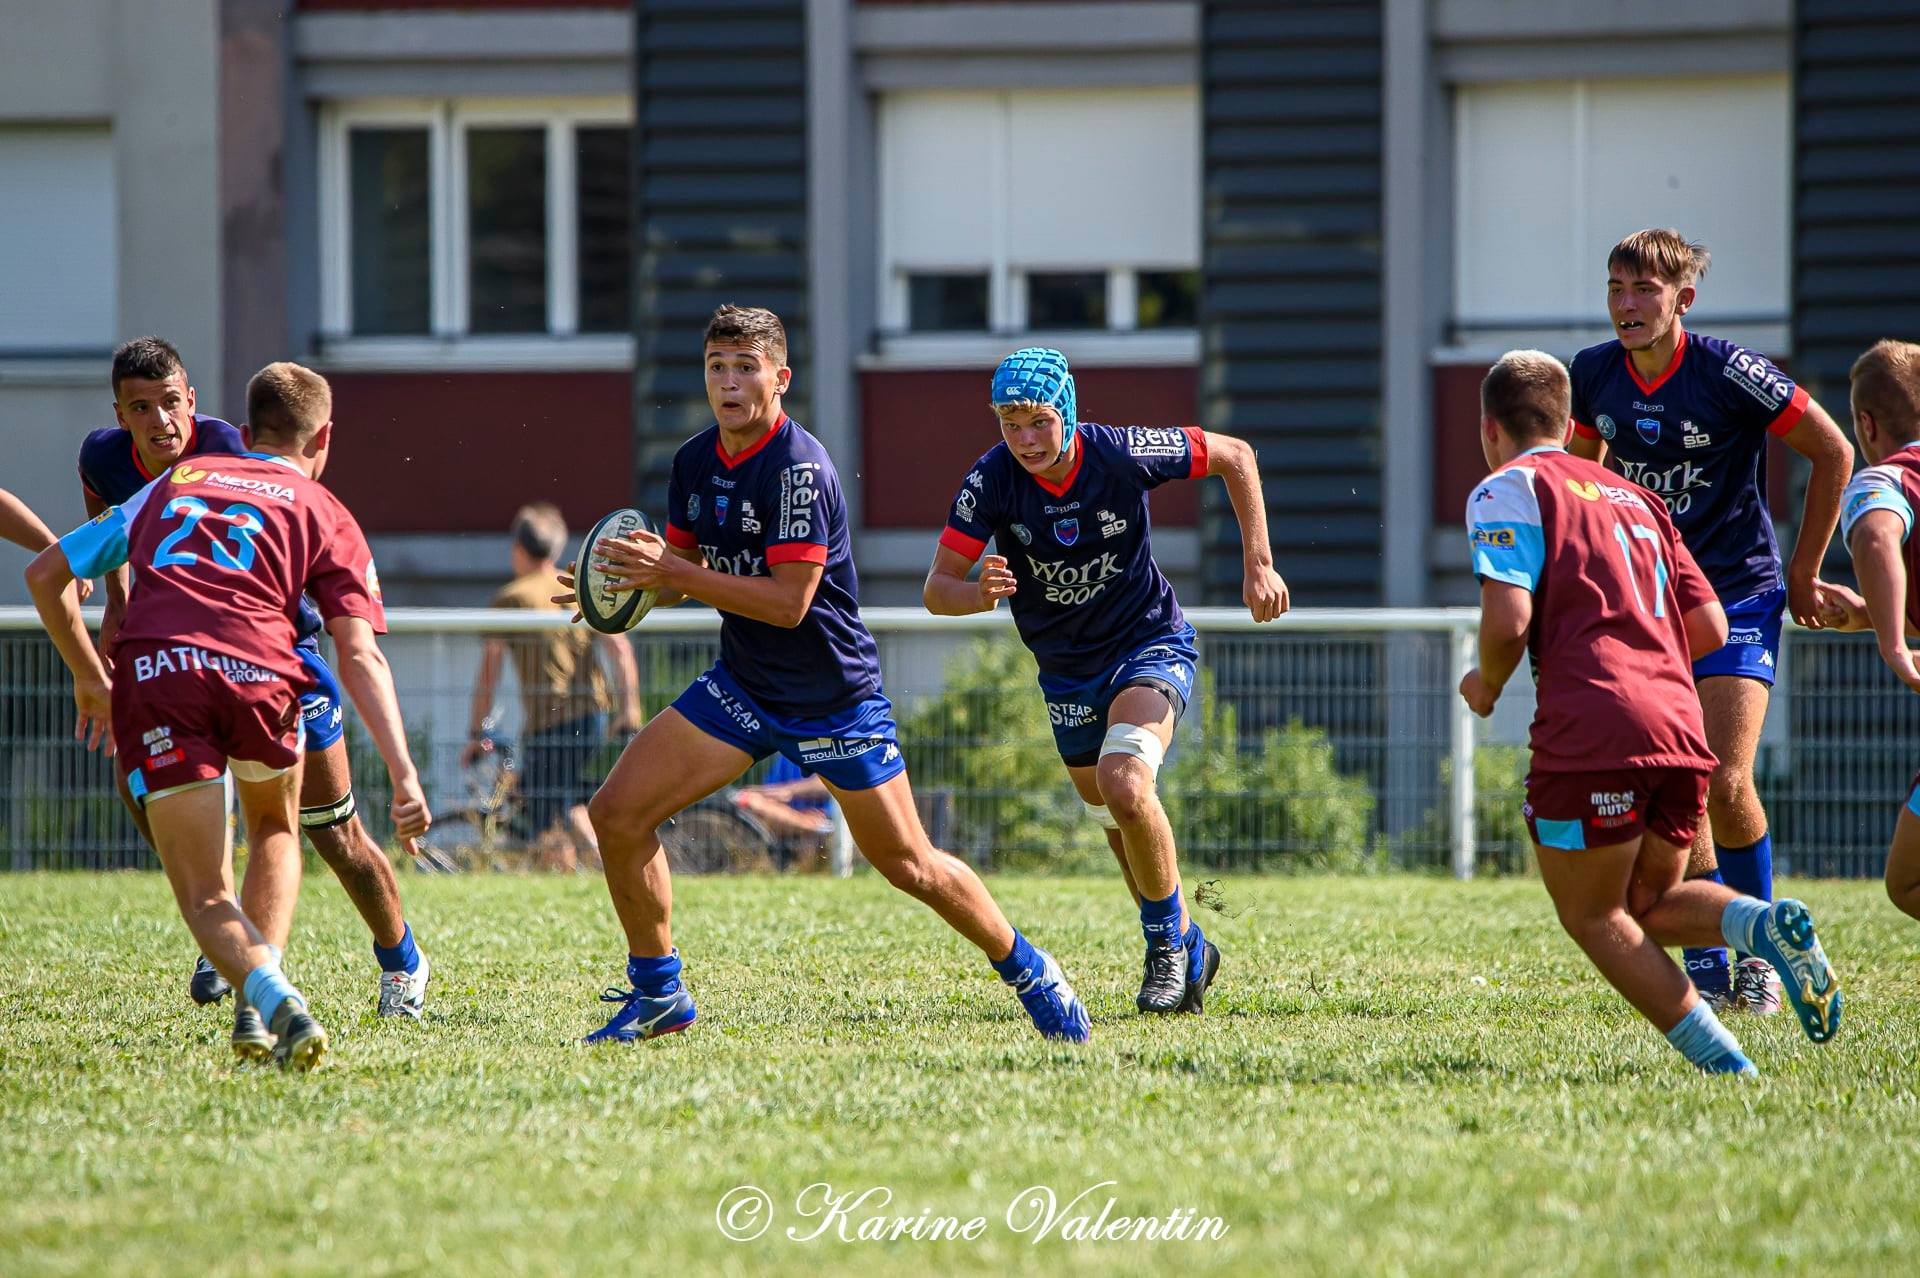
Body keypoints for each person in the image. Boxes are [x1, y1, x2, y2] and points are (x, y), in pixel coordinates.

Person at [565, 304, 1089, 1043]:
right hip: (744, 687)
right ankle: (658, 994)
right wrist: (620, 584)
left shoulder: (799, 470)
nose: (729, 382)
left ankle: (1029, 966)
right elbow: (683, 578)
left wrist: (669, 570)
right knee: (617, 813)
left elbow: (787, 603)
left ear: (781, 378)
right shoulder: (692, 462)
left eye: (746, 368)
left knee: (912, 866)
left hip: (834, 701)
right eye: (717, 368)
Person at [27, 361, 432, 1069]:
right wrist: (405, 773)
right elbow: (363, 653)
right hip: (259, 669)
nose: (160, 421)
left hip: (187, 669)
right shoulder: (317, 504)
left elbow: (49, 571)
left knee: (333, 833)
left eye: (170, 404)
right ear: (326, 436)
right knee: (277, 830)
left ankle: (398, 961)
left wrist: (92, 678)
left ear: (233, 430)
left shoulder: (178, 480)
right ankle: (253, 988)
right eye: (141, 408)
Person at [1461, 349, 1840, 1074]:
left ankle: (1725, 1062)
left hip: (1593, 729)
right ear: (1572, 423)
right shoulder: (1635, 495)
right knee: (1651, 900)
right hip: (1680, 724)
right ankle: (1761, 926)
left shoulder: (1505, 489)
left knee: (1596, 916)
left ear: (1489, 430)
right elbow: (1710, 630)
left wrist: (1485, 683)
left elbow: (1508, 623)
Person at [923, 347, 1287, 1014]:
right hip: (1066, 674)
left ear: (1065, 411)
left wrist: (1258, 565)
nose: (1025, 439)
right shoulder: (991, 480)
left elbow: (1235, 454)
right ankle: (1187, 942)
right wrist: (976, 593)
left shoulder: (1119, 452)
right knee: (1118, 826)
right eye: (1009, 424)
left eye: (1038, 421)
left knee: (1126, 783)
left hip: (1148, 643)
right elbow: (936, 589)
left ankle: (1166, 955)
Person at [1567, 229, 1855, 1013]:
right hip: (1650, 603)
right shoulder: (1593, 373)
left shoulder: (1730, 369)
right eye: (1616, 289)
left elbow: (1833, 452)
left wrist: (1804, 570)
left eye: (1644, 291)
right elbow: (1579, 480)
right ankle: (1711, 964)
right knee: (1676, 783)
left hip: (1741, 594)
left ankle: (1760, 952)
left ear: (1682, 300)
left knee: (1723, 779)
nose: (1627, 305)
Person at [463, 502, 640, 870]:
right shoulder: (578, 587)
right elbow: (620, 647)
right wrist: (629, 709)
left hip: (550, 720)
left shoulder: (512, 597)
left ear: (518, 550)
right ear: (557, 550)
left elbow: (488, 671)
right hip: (595, 714)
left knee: (544, 807)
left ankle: (609, 868)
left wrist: (476, 730)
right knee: (561, 800)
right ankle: (587, 867)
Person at [1812, 339, 1920, 923]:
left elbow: (1879, 536)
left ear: (1865, 423)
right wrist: (1871, 614)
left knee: (1908, 883)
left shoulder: (1886, 478)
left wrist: (1894, 645)